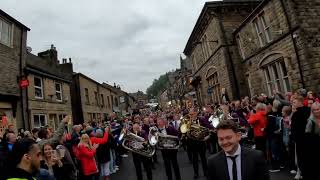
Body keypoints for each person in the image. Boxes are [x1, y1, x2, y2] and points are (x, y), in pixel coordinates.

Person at [290, 95, 311, 179]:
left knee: (303, 158)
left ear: (300, 102)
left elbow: (295, 126)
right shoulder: (301, 111)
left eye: (294, 102)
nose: (293, 104)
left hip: (302, 139)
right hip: (302, 138)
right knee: (303, 158)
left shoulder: (300, 112)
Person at [302, 102, 320, 180]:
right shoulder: (310, 121)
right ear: (312, 111)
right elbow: (307, 136)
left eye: (318, 109)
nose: (316, 111)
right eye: (314, 110)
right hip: (314, 147)